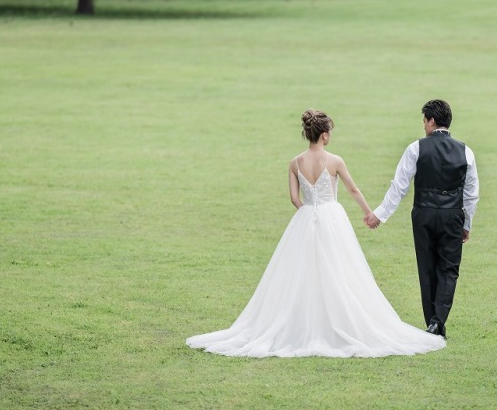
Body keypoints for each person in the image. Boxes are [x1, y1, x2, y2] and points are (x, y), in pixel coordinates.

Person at [186, 109, 446, 357]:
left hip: (305, 217)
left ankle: (305, 320)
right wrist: (369, 213)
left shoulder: (295, 162)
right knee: (341, 270)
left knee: (301, 273)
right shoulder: (334, 160)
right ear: (324, 135)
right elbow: (353, 190)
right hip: (332, 218)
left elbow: (293, 198)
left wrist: (308, 213)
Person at [364, 99, 479, 339]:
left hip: (424, 213)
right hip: (452, 216)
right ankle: (438, 322)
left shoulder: (415, 148)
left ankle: (432, 324)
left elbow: (399, 186)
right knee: (448, 270)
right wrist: (466, 224)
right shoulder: (466, 151)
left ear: (431, 121)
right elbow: (471, 193)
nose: (423, 126)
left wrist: (380, 215)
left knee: (426, 268)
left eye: (424, 121)